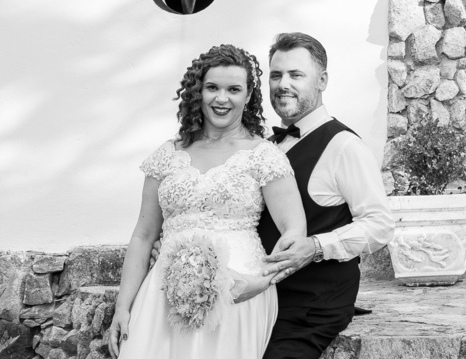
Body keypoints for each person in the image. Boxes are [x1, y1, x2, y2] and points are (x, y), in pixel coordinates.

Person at [107, 45, 307, 359]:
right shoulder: (168, 154)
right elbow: (143, 235)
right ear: (198, 91)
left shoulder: (263, 155)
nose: (222, 99)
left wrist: (263, 281)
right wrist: (123, 307)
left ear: (249, 94)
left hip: (238, 293)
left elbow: (293, 231)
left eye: (234, 89)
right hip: (165, 290)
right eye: (212, 87)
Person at [257, 32, 394, 359]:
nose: (282, 84)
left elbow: (380, 224)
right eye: (276, 75)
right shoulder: (266, 145)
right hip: (262, 298)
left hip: (312, 307)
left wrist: (317, 247)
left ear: (322, 81)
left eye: (296, 75)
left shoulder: (344, 146)